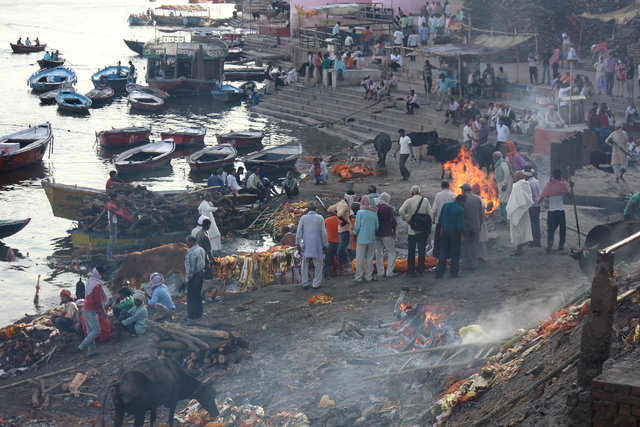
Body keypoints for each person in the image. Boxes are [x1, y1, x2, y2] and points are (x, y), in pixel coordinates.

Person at [399, 185, 432, 276]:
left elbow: (401, 211)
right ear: (420, 192)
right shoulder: (425, 201)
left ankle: (410, 271)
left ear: (412, 193)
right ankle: (420, 270)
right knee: (422, 251)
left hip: (412, 230)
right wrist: (429, 228)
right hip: (423, 230)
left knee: (411, 251)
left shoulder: (409, 201)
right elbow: (430, 214)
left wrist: (408, 220)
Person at [539, 169, 572, 253]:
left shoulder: (549, 185)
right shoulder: (563, 185)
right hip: (560, 210)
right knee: (562, 229)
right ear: (560, 175)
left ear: (553, 175)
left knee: (550, 229)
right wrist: (572, 187)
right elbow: (570, 197)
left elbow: (544, 196)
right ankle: (561, 245)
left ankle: (550, 242)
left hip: (551, 211)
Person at [296, 204, 328, 289]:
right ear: (316, 209)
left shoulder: (303, 218)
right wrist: (325, 244)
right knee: (318, 264)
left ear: (308, 209)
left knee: (304, 264)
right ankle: (316, 284)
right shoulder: (320, 218)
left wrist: (298, 244)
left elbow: (299, 232)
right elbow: (324, 233)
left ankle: (305, 283)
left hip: (305, 243)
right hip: (317, 244)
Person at [78, 266, 107, 356]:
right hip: (90, 309)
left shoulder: (91, 281)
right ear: (100, 273)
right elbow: (98, 300)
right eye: (103, 273)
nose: (104, 275)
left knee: (90, 331)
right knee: (96, 330)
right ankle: (82, 346)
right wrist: (102, 311)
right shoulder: (97, 284)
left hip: (85, 308)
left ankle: (92, 352)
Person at [435, 195, 465, 279]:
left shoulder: (446, 205)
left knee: (443, 252)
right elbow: (461, 225)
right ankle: (453, 274)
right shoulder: (460, 209)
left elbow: (440, 219)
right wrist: (462, 236)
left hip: (444, 231)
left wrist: (441, 230)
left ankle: (439, 274)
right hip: (454, 233)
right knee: (455, 253)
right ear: (461, 201)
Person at [506, 171, 534, 256]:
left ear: (518, 177)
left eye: (514, 177)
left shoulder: (518, 185)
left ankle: (519, 250)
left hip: (519, 210)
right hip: (522, 210)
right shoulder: (525, 184)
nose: (513, 178)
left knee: (518, 230)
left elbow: (521, 199)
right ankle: (520, 248)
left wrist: (514, 207)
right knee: (520, 229)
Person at [353, 197, 379, 283]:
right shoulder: (374, 212)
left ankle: (359, 277)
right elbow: (377, 227)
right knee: (369, 258)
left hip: (361, 239)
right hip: (371, 239)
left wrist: (354, 234)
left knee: (360, 259)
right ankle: (368, 276)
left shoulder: (360, 212)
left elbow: (357, 227)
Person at [328, 193, 354, 274]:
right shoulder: (345, 206)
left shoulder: (339, 203)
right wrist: (345, 221)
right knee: (341, 250)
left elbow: (329, 209)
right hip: (345, 230)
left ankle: (343, 268)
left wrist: (338, 217)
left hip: (340, 230)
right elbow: (340, 215)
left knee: (343, 249)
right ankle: (342, 268)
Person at [375, 192, 397, 279]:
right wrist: (394, 230)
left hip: (377, 233)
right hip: (387, 233)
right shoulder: (388, 208)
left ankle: (380, 272)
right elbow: (393, 220)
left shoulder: (375, 207)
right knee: (391, 252)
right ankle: (389, 272)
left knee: (378, 252)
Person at [431, 180, 456, 258]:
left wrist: (433, 219)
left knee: (438, 241)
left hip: (440, 222)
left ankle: (437, 257)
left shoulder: (438, 195)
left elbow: (434, 209)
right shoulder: (453, 195)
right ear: (449, 186)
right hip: (451, 223)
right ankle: (449, 257)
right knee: (450, 241)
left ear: (441, 187)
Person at [461, 183, 483, 271]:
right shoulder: (478, 199)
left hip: (466, 227)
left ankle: (466, 264)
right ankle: (474, 264)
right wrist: (479, 224)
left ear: (464, 190)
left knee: (466, 246)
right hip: (476, 225)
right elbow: (481, 214)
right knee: (475, 245)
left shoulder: (462, 199)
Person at [185, 235, 206, 320]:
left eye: (187, 242)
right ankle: (199, 313)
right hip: (201, 273)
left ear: (191, 241)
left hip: (194, 276)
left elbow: (191, 268)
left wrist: (187, 279)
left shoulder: (192, 252)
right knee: (198, 294)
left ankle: (192, 315)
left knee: (191, 296)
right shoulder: (201, 249)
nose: (186, 244)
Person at [525, 167, 542, 247]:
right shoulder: (536, 181)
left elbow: (528, 196)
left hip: (531, 206)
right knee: (536, 224)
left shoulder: (528, 183)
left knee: (531, 224)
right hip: (537, 205)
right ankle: (537, 241)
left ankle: (532, 241)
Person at [494, 151, 513, 221]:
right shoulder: (498, 164)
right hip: (501, 184)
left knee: (504, 200)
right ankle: (503, 217)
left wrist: (505, 184)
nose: (493, 158)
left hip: (505, 185)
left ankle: (504, 218)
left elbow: (507, 174)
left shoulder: (503, 163)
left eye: (494, 156)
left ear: (498, 157)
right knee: (502, 200)